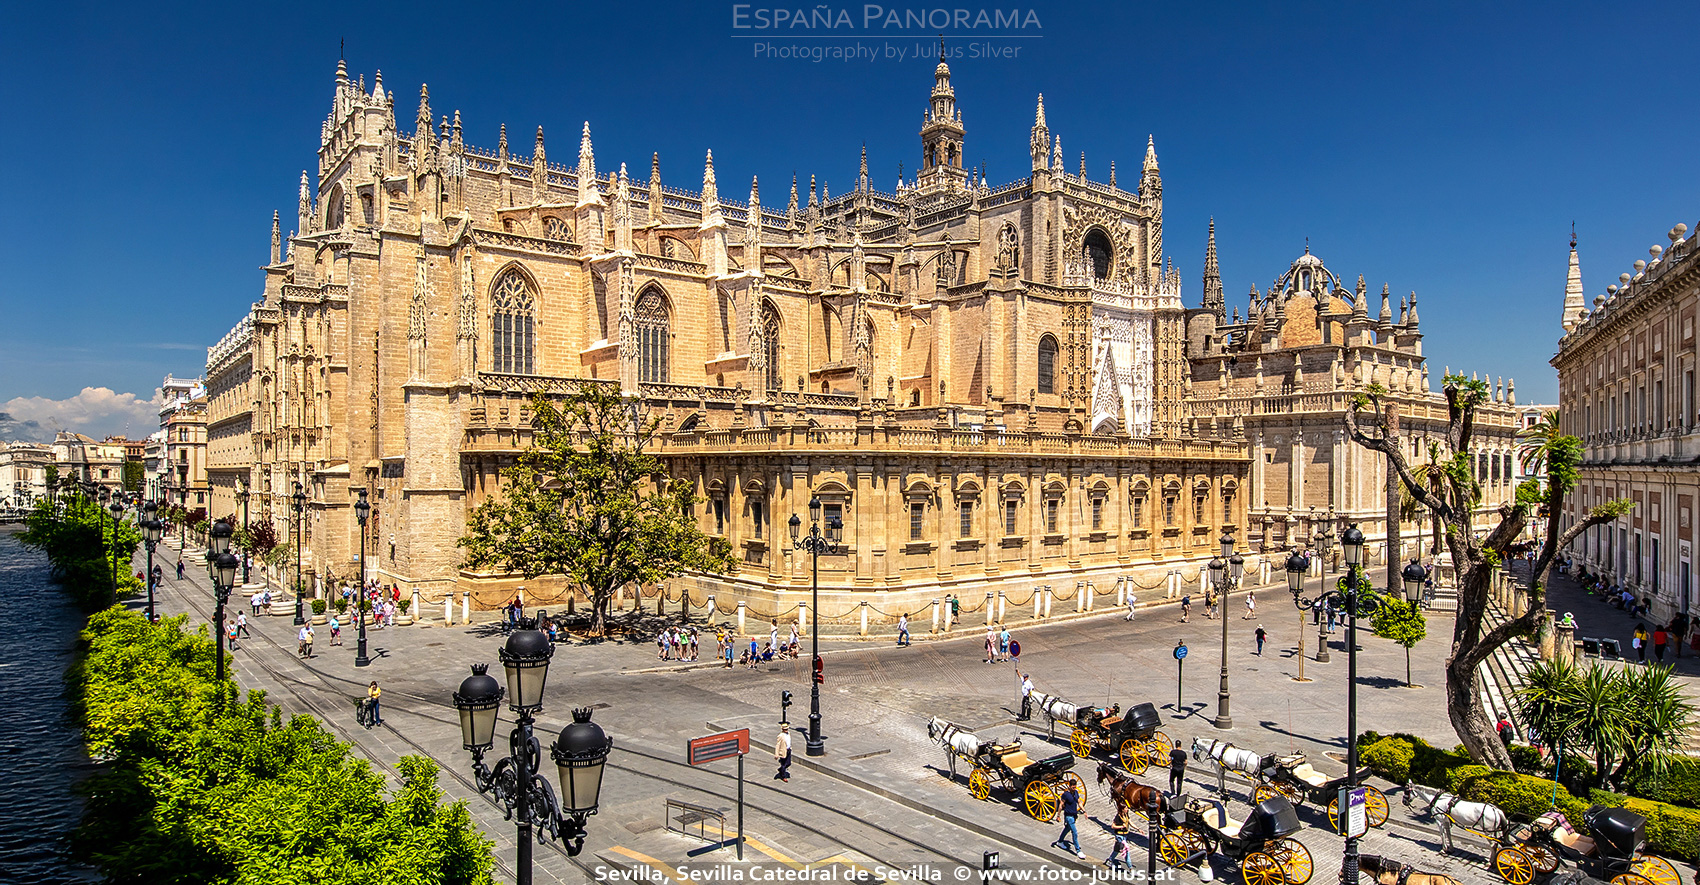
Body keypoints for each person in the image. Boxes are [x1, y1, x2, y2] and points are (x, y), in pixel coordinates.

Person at [1052, 780, 1084, 859]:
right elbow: (1061, 805)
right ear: (1069, 786)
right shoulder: (1065, 795)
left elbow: (1079, 802)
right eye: (1072, 787)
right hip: (1068, 816)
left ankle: (1060, 841)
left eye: (1075, 787)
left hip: (1074, 815)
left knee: (1067, 829)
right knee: (1074, 832)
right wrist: (1058, 815)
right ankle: (1078, 850)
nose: (1074, 788)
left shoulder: (1076, 792)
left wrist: (1084, 810)